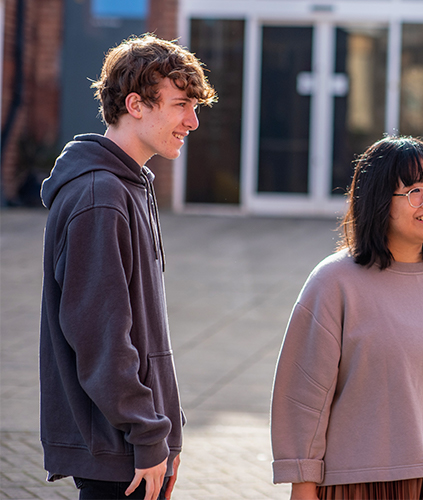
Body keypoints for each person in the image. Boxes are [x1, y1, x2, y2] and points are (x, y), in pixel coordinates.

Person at [39, 34, 216, 500]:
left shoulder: (129, 185)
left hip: (133, 443)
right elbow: (101, 338)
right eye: (181, 104)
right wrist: (147, 434)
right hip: (120, 450)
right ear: (135, 104)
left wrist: (165, 428)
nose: (192, 121)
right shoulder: (101, 197)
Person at [270, 136, 423, 500]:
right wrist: (302, 483)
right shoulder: (334, 281)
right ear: (380, 201)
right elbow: (304, 396)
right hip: (357, 481)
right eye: (414, 190)